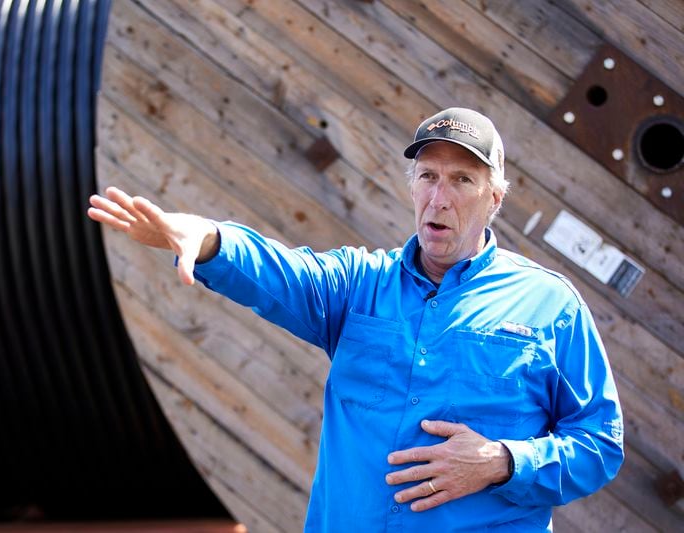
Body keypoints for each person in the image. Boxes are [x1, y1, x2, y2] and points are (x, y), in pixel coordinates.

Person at [88, 107, 624, 531]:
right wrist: (207, 238)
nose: (440, 198)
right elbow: (279, 271)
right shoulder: (357, 284)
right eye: (428, 176)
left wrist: (503, 460)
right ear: (411, 186)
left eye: (462, 180)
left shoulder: (550, 305)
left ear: (495, 197)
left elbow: (601, 442)